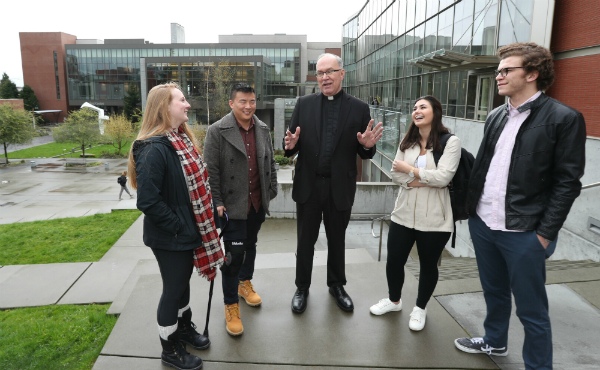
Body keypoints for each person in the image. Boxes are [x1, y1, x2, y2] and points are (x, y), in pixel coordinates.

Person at [454, 43, 586, 369]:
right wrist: (472, 213)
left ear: (531, 73)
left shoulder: (564, 119)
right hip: (485, 224)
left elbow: (567, 183)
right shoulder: (497, 115)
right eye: (498, 70)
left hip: (525, 233)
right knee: (494, 292)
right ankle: (494, 341)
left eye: (505, 70)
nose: (497, 75)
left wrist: (543, 235)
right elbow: (484, 167)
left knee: (532, 312)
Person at [128, 82, 224, 370]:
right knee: (173, 291)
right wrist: (182, 227)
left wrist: (209, 216)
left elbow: (196, 189)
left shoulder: (179, 140)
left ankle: (183, 329)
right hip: (170, 236)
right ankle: (170, 351)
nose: (188, 105)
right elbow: (148, 201)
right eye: (181, 100)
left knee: (181, 287)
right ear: (164, 107)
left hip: (185, 231)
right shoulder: (153, 148)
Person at [284, 53, 383, 314]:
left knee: (337, 239)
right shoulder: (303, 104)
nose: (325, 77)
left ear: (342, 74)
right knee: (305, 241)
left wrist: (368, 147)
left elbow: (365, 149)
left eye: (330, 71)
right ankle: (302, 287)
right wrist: (290, 147)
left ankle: (337, 285)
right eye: (320, 73)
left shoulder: (359, 108)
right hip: (309, 185)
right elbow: (290, 143)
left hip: (340, 186)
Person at [369, 96, 460, 331]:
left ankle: (420, 308)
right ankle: (393, 300)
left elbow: (444, 178)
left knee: (428, 266)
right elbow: (394, 175)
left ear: (435, 112)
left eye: (423, 107)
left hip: (435, 219)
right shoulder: (406, 142)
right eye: (414, 108)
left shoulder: (450, 142)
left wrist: (410, 171)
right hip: (403, 214)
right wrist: (422, 180)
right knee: (394, 261)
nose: (416, 111)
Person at [203, 83, 278, 336]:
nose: (248, 106)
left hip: (256, 203)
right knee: (233, 258)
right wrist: (217, 201)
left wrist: (271, 190)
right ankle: (230, 305)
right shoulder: (217, 130)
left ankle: (245, 284)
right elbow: (210, 170)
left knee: (251, 246)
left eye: (252, 101)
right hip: (231, 207)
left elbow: (271, 163)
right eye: (243, 101)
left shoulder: (263, 129)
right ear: (231, 103)